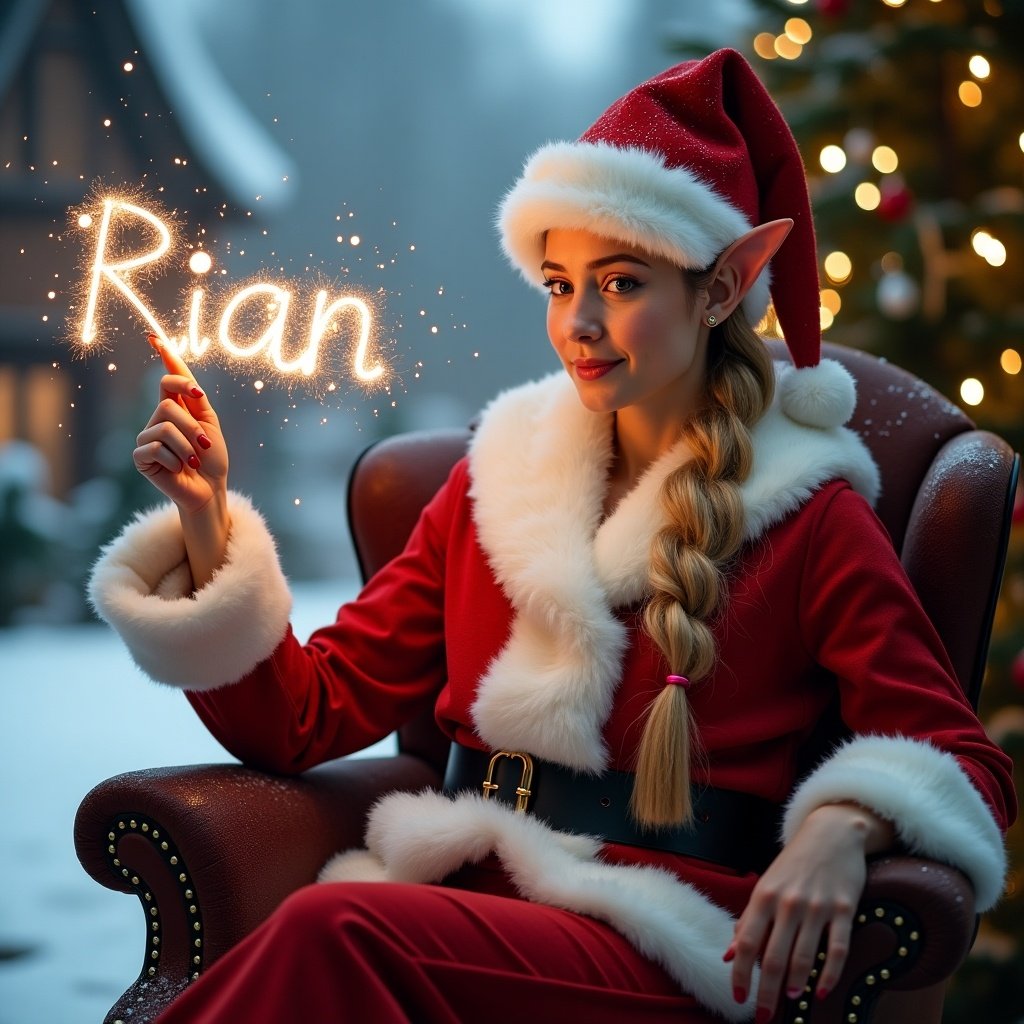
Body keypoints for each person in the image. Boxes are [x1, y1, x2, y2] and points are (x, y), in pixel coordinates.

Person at [89, 49, 1015, 1024]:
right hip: (468, 899)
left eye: (619, 283)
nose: (578, 322)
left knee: (341, 927)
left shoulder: (809, 516)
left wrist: (842, 820)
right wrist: (204, 518)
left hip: (666, 936)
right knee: (351, 930)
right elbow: (308, 714)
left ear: (721, 285)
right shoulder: (495, 483)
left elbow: (963, 759)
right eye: (558, 283)